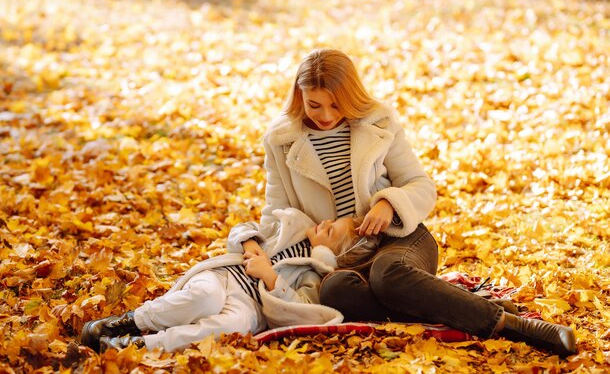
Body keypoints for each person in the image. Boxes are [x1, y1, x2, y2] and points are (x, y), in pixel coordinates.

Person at [240, 48, 576, 357]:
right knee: (335, 291)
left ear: (351, 96)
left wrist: (388, 204)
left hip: (400, 240)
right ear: (300, 97)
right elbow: (276, 210)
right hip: (342, 258)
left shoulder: (377, 122)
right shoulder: (281, 140)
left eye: (336, 104)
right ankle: (464, 305)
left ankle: (516, 327)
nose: (326, 115)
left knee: (388, 275)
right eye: (315, 105)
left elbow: (421, 185)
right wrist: (252, 242)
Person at [80, 208, 361, 353]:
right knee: (205, 298)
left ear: (336, 251)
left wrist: (271, 277)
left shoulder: (317, 276)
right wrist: (248, 241)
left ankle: (141, 346)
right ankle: (131, 322)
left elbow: (300, 311)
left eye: (332, 230)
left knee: (232, 326)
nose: (325, 223)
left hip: (251, 305)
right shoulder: (292, 226)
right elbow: (244, 226)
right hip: (225, 275)